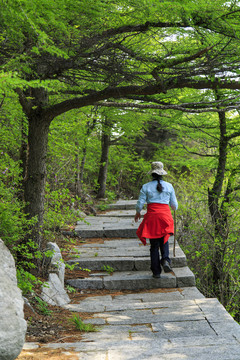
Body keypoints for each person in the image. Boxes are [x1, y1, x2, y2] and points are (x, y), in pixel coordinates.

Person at [135, 161, 178, 278]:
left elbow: (140, 203)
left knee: (154, 245)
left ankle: (156, 272)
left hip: (152, 217)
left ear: (152, 174)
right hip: (165, 216)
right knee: (164, 239)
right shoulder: (169, 186)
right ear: (162, 173)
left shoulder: (146, 186)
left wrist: (138, 212)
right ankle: (165, 260)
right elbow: (174, 205)